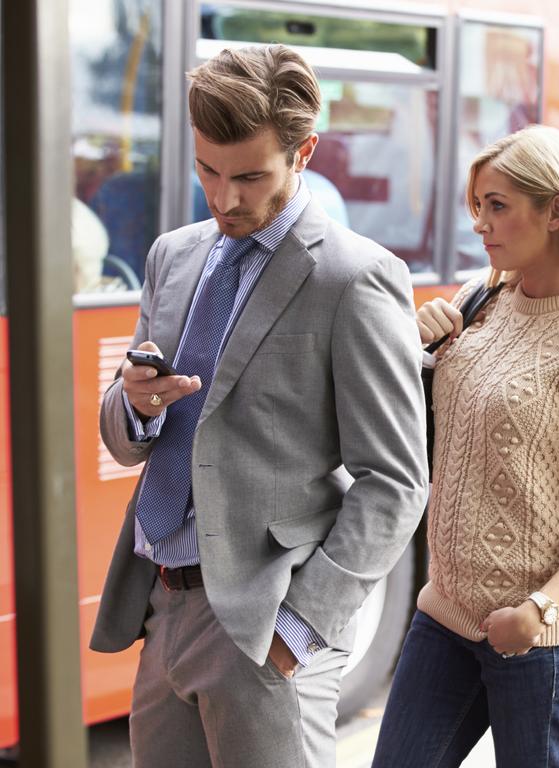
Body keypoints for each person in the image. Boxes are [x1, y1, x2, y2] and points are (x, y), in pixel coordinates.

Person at [89, 45, 428, 768]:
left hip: (266, 624)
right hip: (160, 604)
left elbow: (396, 481)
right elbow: (125, 440)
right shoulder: (172, 256)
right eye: (207, 170)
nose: (224, 197)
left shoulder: (355, 277)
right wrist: (138, 404)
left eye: (249, 176)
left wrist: (300, 631)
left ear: (304, 152)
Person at [370, 124, 559, 768]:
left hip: (541, 638)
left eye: (496, 206)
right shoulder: (482, 300)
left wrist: (539, 609)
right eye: (478, 208)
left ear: (555, 210)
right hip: (444, 613)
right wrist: (418, 352)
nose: (480, 225)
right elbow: (420, 432)